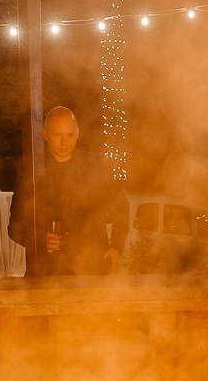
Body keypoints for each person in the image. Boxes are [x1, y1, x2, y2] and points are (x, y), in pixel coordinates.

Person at [9, 106, 128, 276]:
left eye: (69, 135)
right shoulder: (32, 172)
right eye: (58, 135)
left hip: (91, 268)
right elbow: (14, 226)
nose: (64, 142)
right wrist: (36, 240)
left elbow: (121, 207)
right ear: (45, 134)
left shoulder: (96, 167)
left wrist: (116, 246)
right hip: (45, 271)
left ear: (78, 133)